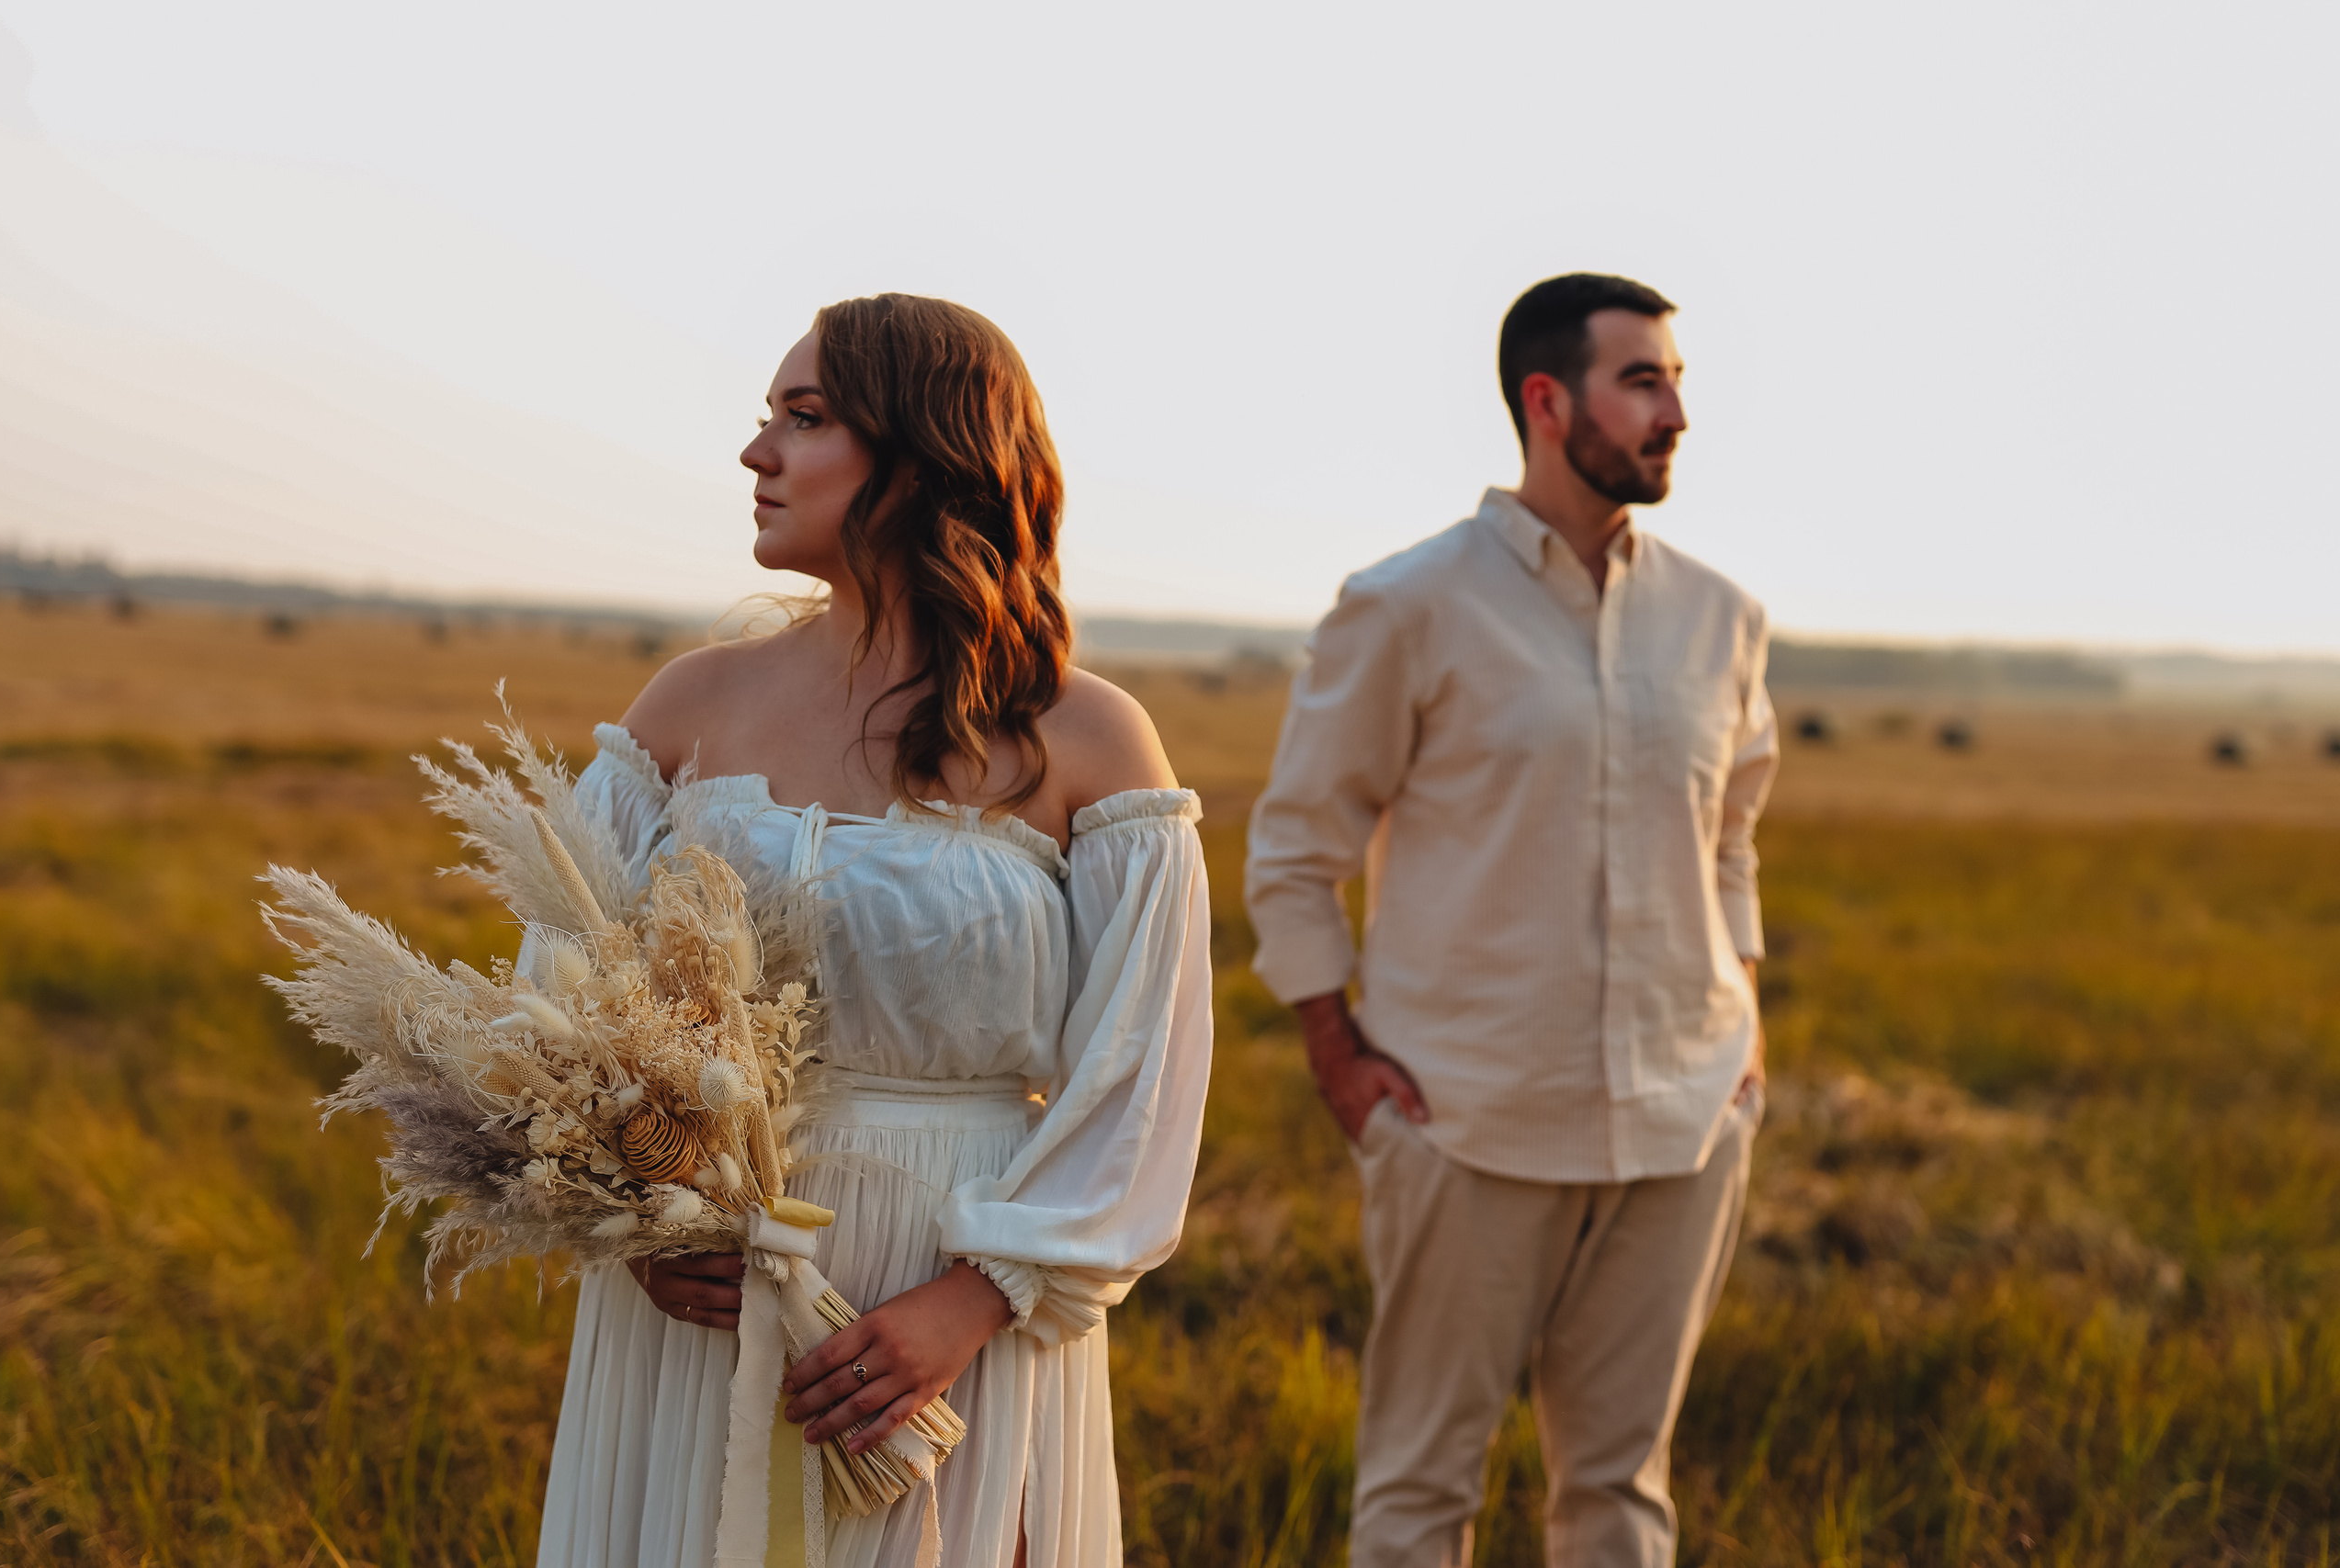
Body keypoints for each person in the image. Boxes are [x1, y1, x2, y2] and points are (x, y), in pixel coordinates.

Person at [533, 294, 1214, 1568]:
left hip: (951, 1299)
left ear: (924, 451)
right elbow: (557, 998)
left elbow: (1144, 1077)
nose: (757, 454)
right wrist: (628, 1228)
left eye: (805, 418)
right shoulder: (690, 706)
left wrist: (975, 1301)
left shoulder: (1086, 738)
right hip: (704, 1297)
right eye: (767, 419)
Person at [1243, 273, 1777, 1567]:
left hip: (1681, 1125)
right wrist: (1340, 1059)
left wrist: (1744, 1039)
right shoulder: (1408, 604)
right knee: (1422, 1494)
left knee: (1621, 1495)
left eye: (1678, 382)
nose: (1676, 414)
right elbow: (1296, 849)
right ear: (1548, 401)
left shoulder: (1721, 619)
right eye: (1643, 381)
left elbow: (1731, 840)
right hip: (1463, 1119)